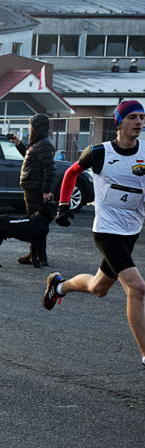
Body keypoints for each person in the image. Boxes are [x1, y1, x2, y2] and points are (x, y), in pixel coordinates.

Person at [43, 100, 145, 370]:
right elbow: (71, 172)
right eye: (132, 117)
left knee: (99, 288)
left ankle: (59, 286)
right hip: (106, 231)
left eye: (142, 118)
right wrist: (63, 205)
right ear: (118, 122)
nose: (139, 122)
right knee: (137, 289)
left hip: (132, 230)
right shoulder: (99, 152)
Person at [8, 113, 56, 265]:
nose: (29, 129)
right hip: (32, 187)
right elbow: (31, 155)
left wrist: (46, 191)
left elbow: (50, 169)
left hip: (36, 188)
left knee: (36, 224)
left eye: (31, 126)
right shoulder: (39, 143)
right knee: (37, 223)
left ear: (36, 127)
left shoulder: (44, 144)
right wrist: (18, 143)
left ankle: (39, 256)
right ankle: (38, 255)